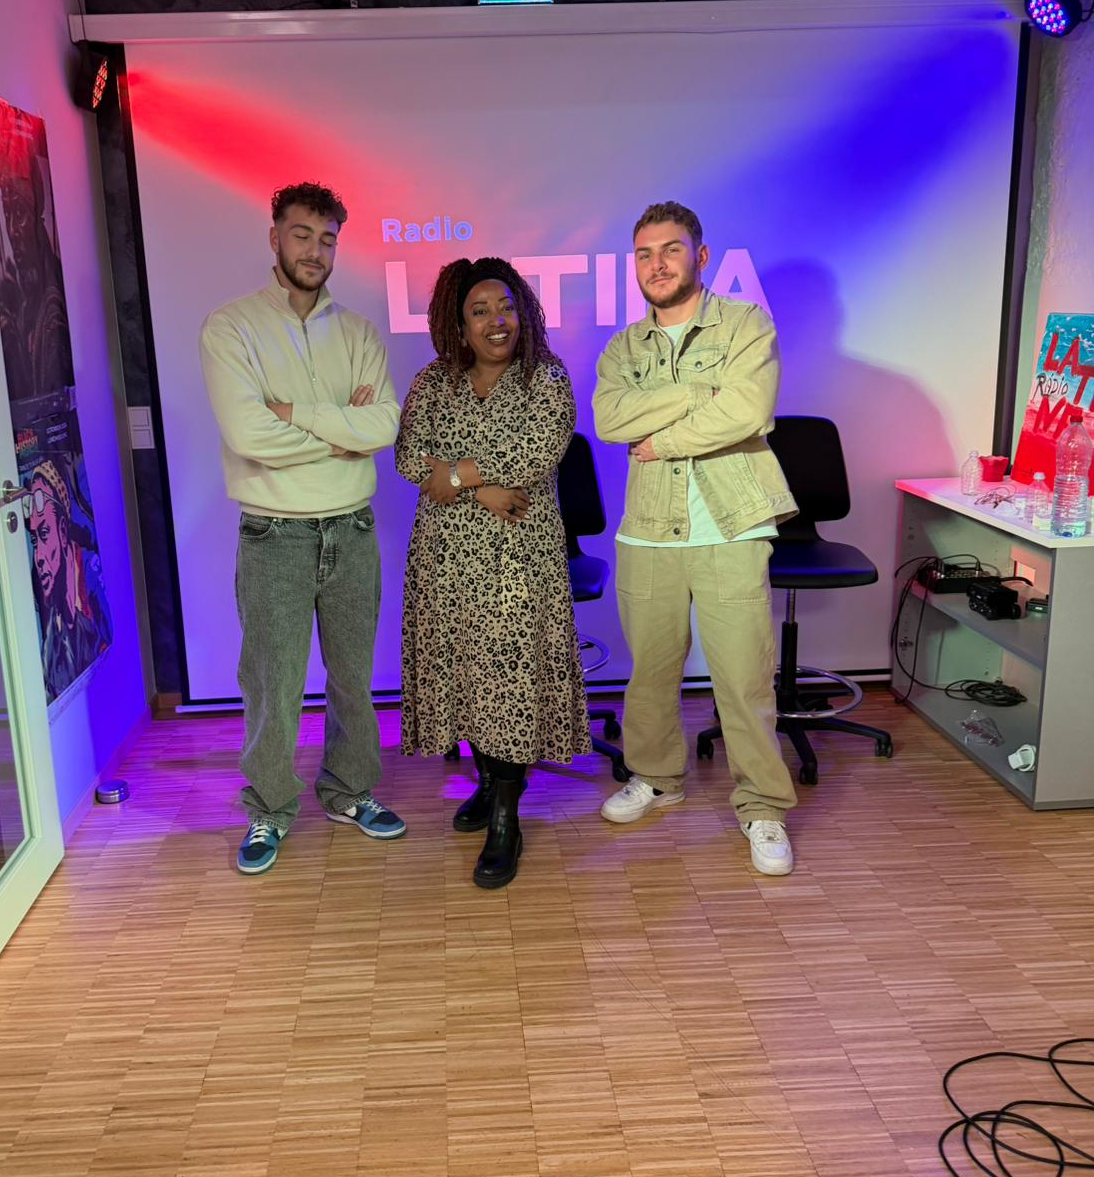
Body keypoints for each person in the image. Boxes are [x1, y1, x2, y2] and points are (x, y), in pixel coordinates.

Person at [200, 181, 406, 875]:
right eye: (301, 235)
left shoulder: (359, 333)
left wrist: (297, 414)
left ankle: (349, 791)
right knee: (273, 684)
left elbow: (384, 425)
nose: (315, 251)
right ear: (274, 237)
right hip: (274, 536)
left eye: (327, 239)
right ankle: (269, 807)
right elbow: (248, 434)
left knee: (353, 678)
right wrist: (342, 430)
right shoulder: (231, 328)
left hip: (352, 530)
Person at [592, 201, 799, 876]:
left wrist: (664, 440)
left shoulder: (745, 324)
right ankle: (656, 778)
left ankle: (763, 805)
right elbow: (609, 419)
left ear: (700, 256)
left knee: (743, 677)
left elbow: (749, 410)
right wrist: (696, 393)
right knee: (650, 673)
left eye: (671, 250)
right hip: (648, 531)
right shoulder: (623, 349)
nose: (657, 264)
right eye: (645, 254)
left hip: (732, 524)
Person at [396, 257, 590, 889]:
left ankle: (506, 816)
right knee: (467, 679)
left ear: (523, 312)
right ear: (459, 324)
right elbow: (409, 456)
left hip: (518, 563)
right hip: (445, 563)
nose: (496, 320)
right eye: (479, 311)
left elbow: (535, 451)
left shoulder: (546, 379)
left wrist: (453, 474)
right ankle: (487, 783)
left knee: (508, 681)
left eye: (505, 306)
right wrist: (479, 488)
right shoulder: (433, 382)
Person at [26, 459, 105, 700]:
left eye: (44, 533)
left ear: (63, 531)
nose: (39, 557)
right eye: (34, 540)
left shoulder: (90, 578)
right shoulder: (49, 629)